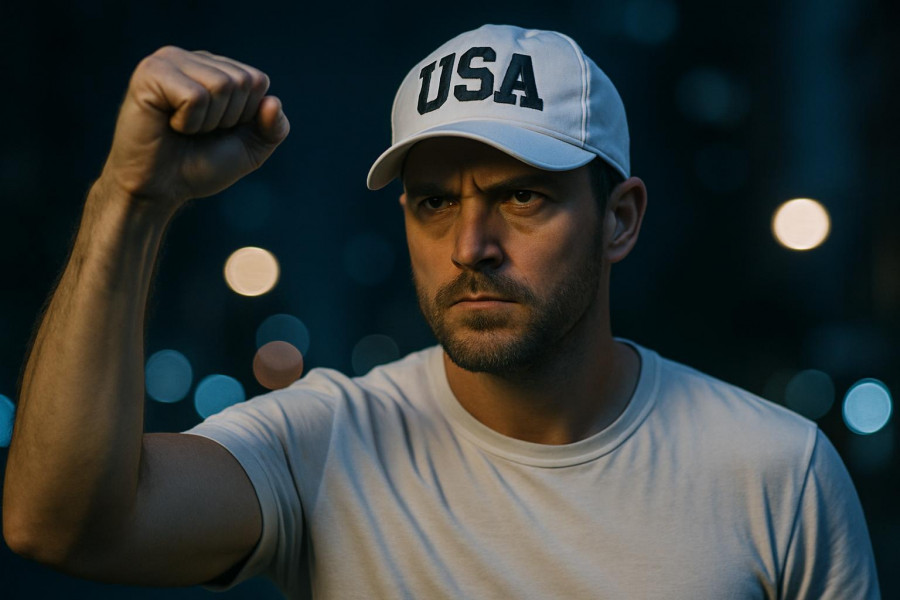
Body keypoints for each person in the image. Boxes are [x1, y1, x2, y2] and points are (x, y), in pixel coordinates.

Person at [2, 24, 880, 599]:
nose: (470, 245)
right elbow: (58, 524)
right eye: (432, 203)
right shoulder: (326, 441)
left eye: (523, 197)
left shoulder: (776, 470)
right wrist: (130, 200)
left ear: (620, 221)